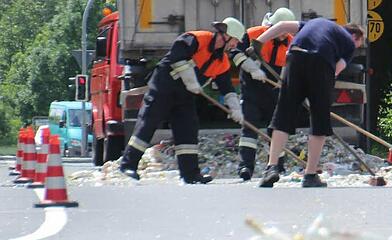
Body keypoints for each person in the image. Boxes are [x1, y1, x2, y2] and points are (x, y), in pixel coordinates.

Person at [119, 17, 245, 183]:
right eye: (235, 40)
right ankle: (128, 164)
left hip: (185, 95)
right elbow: (177, 56)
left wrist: (235, 109)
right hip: (164, 86)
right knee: (148, 123)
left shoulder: (222, 62)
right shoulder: (196, 39)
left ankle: (190, 174)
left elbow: (227, 87)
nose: (235, 45)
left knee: (188, 129)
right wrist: (191, 80)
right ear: (225, 35)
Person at [247, 18, 365, 188]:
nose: (357, 46)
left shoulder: (314, 23)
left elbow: (281, 26)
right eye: (359, 43)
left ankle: (271, 168)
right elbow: (336, 70)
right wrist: (317, 92)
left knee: (283, 114)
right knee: (319, 120)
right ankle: (310, 175)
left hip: (294, 56)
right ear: (355, 36)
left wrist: (259, 42)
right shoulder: (349, 43)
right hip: (322, 61)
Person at [230, 7, 296, 181]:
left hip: (275, 91)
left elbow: (292, 67)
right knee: (249, 128)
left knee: (276, 128)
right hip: (252, 88)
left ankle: (276, 167)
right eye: (281, 32)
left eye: (286, 32)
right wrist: (251, 68)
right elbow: (235, 54)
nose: (283, 36)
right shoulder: (253, 34)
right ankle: (245, 167)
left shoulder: (292, 42)